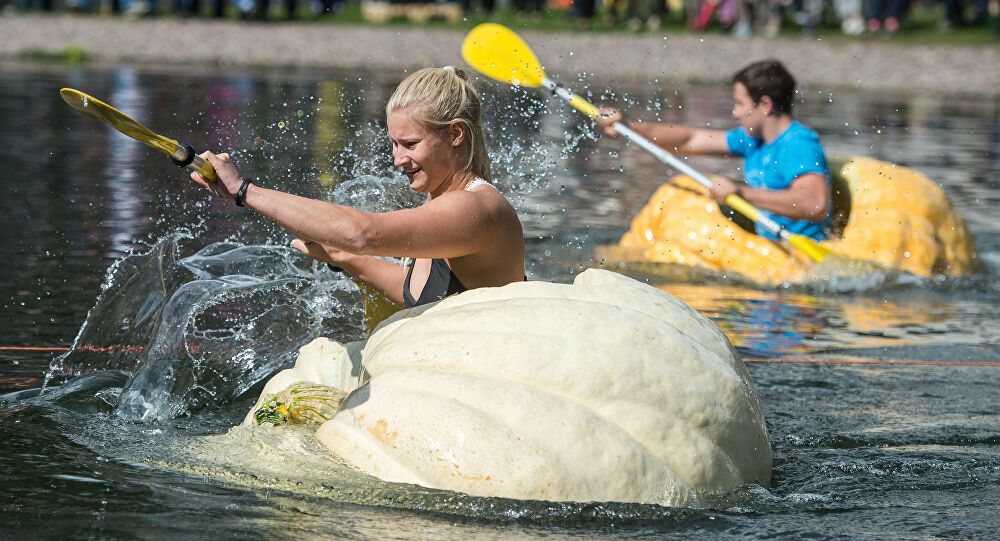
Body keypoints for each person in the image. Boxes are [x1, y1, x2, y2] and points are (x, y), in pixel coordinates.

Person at [189, 66, 526, 308]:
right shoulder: (442, 203)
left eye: (410, 143)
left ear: (455, 134)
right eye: (393, 144)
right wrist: (342, 257)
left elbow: (364, 234)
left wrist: (244, 190)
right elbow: (416, 291)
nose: (397, 160)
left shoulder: (475, 208)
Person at [596, 59, 832, 242]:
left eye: (740, 104)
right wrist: (630, 128)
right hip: (768, 246)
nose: (735, 113)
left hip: (798, 252)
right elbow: (690, 140)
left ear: (765, 105)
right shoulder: (753, 139)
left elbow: (815, 204)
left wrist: (740, 193)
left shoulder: (798, 144)